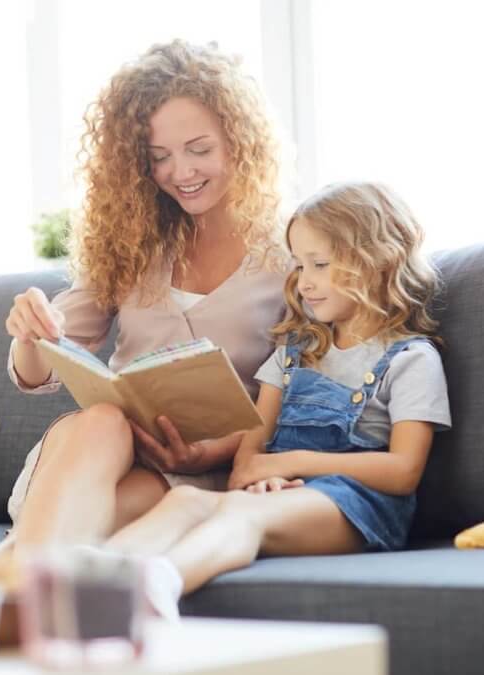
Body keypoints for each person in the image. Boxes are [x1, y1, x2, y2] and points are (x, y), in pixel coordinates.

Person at [0, 40, 290, 583]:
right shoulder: (134, 243)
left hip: (200, 476)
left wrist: (208, 452)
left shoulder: (292, 252)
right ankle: (14, 601)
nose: (179, 171)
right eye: (159, 157)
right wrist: (30, 331)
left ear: (241, 141)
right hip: (95, 456)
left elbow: (302, 393)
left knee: (84, 523)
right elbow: (39, 370)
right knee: (104, 419)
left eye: (198, 149)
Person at [99, 181, 452, 614]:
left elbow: (403, 472)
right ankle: (86, 577)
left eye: (319, 264)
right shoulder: (293, 351)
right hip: (279, 493)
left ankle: (150, 593)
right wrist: (258, 477)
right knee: (186, 499)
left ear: (375, 263)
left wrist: (290, 463)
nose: (304, 283)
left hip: (359, 508)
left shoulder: (411, 359)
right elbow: (248, 457)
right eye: (300, 267)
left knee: (243, 515)